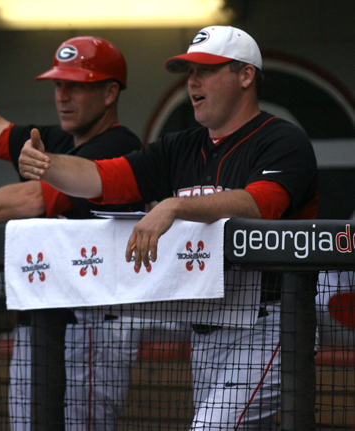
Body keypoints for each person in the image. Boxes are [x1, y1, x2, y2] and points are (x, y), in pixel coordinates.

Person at [19, 25, 319, 430]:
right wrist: (49, 165)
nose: (193, 82)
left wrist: (175, 206)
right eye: (188, 72)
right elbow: (103, 178)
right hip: (208, 321)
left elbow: (259, 204)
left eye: (206, 70)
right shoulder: (180, 146)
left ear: (245, 76)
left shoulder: (283, 139)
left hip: (272, 322)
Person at [0, 20, 184, 431]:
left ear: (109, 93)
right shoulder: (59, 140)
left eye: (77, 85)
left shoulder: (119, 145)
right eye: (58, 85)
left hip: (91, 327)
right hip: (43, 318)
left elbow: (35, 198)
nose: (62, 96)